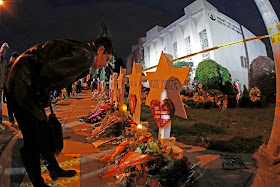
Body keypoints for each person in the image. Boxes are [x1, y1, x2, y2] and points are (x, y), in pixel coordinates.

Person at [7, 37, 113, 187]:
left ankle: (54, 169)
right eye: (107, 59)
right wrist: (42, 95)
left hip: (26, 81)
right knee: (32, 137)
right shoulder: (86, 56)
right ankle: (38, 183)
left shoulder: (84, 52)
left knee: (42, 130)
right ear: (101, 50)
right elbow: (48, 72)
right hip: (24, 84)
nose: (105, 64)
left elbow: (51, 72)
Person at [5, 51, 20, 126]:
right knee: (10, 105)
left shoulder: (17, 66)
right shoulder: (8, 66)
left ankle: (17, 120)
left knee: (16, 105)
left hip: (16, 89)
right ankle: (11, 120)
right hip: (8, 88)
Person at [0, 42, 9, 124]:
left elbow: (5, 74)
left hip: (0, 85)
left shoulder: (4, 62)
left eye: (6, 49)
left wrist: (5, 84)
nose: (4, 51)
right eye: (4, 48)